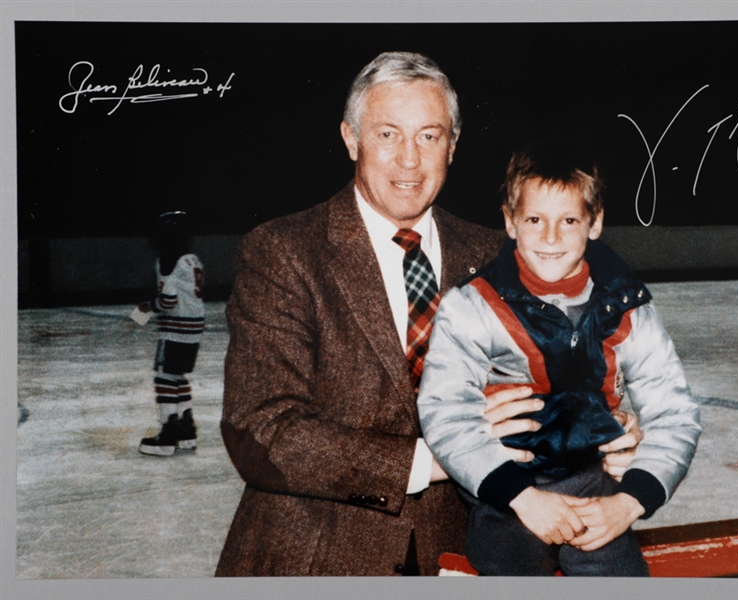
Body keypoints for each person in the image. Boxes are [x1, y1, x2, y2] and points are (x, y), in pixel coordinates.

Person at [215, 52, 640, 577]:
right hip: (317, 558)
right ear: (351, 139)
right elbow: (262, 430)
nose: (409, 161)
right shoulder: (284, 251)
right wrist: (439, 459)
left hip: (466, 554)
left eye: (429, 136)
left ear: (453, 146)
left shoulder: (501, 257)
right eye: (388, 134)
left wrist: (609, 425)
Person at [417, 141, 701, 576]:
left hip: (594, 486)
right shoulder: (473, 306)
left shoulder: (625, 305)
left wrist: (628, 503)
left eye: (569, 220)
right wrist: (520, 497)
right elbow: (446, 411)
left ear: (595, 223)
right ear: (510, 222)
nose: (551, 238)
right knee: (512, 560)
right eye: (535, 219)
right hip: (507, 489)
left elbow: (673, 411)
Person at [135, 211, 205, 456]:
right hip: (195, 324)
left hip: (176, 327)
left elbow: (168, 300)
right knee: (178, 376)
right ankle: (187, 430)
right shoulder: (192, 258)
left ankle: (167, 434)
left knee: (164, 377)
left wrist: (147, 307)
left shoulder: (168, 259)